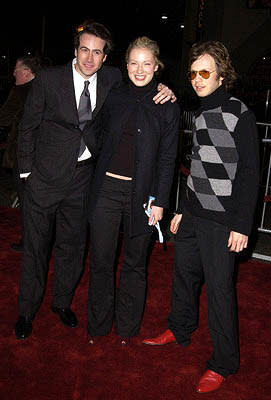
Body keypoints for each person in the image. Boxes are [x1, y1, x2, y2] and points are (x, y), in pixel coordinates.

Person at [14, 20, 176, 340]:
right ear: (76, 51)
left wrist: (164, 87)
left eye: (97, 52)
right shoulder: (48, 79)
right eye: (85, 50)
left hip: (83, 180)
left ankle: (61, 303)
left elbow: (144, 82)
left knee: (72, 247)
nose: (90, 58)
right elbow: (27, 127)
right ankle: (26, 311)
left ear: (106, 58)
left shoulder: (112, 80)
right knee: (36, 249)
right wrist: (26, 174)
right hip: (44, 179)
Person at [142, 41, 259, 393]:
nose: (197, 78)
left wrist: (242, 225)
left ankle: (224, 362)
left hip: (222, 220)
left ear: (222, 74)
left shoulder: (240, 113)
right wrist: (181, 210)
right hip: (193, 213)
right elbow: (197, 167)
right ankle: (179, 328)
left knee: (220, 292)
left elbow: (251, 173)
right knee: (183, 278)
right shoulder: (199, 112)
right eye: (193, 72)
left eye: (205, 72)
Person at [86, 36, 180, 345]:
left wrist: (161, 201)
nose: (140, 70)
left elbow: (168, 157)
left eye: (146, 63)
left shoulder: (168, 104)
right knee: (101, 260)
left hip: (144, 197)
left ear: (157, 66)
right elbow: (95, 131)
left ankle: (127, 328)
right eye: (134, 63)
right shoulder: (114, 93)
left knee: (135, 264)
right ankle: (98, 326)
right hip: (106, 191)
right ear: (126, 65)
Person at [0, 55, 42, 251]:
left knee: (26, 202)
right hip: (42, 156)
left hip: (23, 156)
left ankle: (29, 243)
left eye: (17, 69)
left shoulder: (20, 91)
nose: (14, 73)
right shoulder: (44, 88)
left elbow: (4, 118)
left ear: (27, 72)